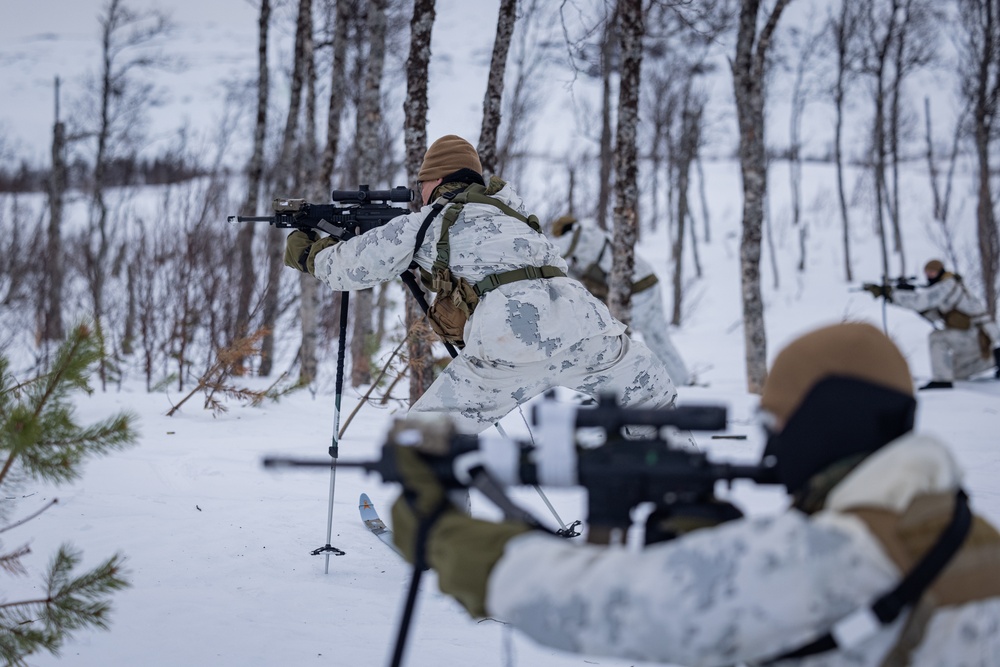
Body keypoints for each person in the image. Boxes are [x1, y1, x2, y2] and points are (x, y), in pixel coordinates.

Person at [389, 322, 1000, 666]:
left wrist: (450, 537)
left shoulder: (846, 551)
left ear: (825, 421)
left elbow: (617, 605)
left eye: (777, 426)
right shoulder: (960, 529)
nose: (773, 449)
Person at [283, 135, 677, 434]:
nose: (418, 193)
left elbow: (348, 268)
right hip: (587, 331)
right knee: (651, 403)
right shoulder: (515, 214)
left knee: (427, 440)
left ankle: (438, 529)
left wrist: (307, 250)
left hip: (511, 345)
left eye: (421, 183)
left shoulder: (427, 222)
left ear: (436, 180)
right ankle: (683, 501)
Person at [548, 215, 693, 386]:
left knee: (612, 339)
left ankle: (618, 387)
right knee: (658, 339)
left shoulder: (584, 234)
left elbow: (551, 250)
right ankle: (682, 382)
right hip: (647, 284)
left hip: (636, 291)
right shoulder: (590, 241)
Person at [864, 259, 1000, 390]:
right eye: (927, 272)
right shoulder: (943, 286)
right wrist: (900, 296)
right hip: (972, 334)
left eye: (933, 272)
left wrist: (890, 293)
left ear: (940, 271)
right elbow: (931, 313)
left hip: (978, 333)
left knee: (937, 337)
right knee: (956, 373)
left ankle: (942, 381)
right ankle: (995, 359)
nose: (929, 276)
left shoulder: (947, 284)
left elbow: (920, 301)